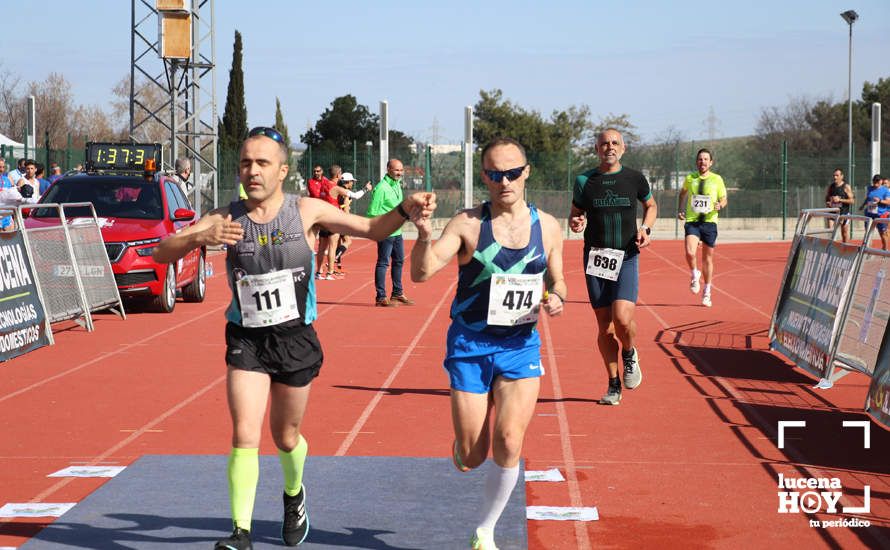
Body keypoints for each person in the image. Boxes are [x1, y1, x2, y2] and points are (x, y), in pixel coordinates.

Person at [151, 126, 435, 550]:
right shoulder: (224, 217)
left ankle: (293, 493)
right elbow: (161, 252)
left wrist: (407, 211)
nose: (252, 171)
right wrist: (198, 236)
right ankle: (240, 532)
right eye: (246, 162)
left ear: (282, 170)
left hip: (294, 338)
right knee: (245, 431)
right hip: (246, 339)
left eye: (262, 163)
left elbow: (373, 228)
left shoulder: (306, 211)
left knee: (285, 436)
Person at [410, 137, 565, 550]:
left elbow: (558, 277)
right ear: (484, 177)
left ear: (526, 172)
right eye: (495, 174)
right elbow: (421, 275)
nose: (505, 181)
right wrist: (424, 234)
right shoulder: (465, 224)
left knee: (510, 440)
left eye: (513, 172)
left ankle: (485, 531)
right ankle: (464, 444)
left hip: (520, 345)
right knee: (473, 456)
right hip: (470, 345)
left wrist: (559, 297)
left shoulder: (548, 226)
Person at [569, 128, 657, 406]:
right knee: (605, 327)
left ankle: (629, 352)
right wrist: (575, 222)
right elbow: (575, 214)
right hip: (596, 258)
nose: (610, 147)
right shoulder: (584, 181)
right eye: (604, 143)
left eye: (615, 143)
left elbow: (651, 205)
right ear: (596, 149)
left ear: (624, 148)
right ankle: (613, 384)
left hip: (627, 255)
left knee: (622, 319)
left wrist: (646, 228)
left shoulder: (634, 178)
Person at [677, 148, 728, 307]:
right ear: (696, 162)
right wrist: (680, 209)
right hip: (692, 221)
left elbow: (724, 198)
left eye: (706, 159)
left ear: (711, 162)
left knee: (707, 258)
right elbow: (683, 193)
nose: (703, 162)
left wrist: (720, 204)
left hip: (710, 222)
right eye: (700, 159)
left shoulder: (717, 179)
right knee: (690, 252)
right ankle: (694, 273)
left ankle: (707, 292)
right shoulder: (690, 178)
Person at [367, 159, 414, 306]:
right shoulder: (381, 188)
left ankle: (397, 293)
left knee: (399, 261)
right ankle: (381, 297)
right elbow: (372, 212)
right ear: (388, 169)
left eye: (401, 170)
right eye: (396, 170)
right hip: (386, 232)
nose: (399, 173)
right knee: (383, 263)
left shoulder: (397, 184)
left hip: (397, 231)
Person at [330, 172, 372, 274]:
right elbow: (347, 207)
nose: (353, 183)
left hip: (335, 219)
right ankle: (334, 259)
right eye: (352, 181)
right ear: (347, 182)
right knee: (347, 241)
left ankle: (336, 266)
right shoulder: (344, 192)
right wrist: (366, 189)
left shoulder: (339, 190)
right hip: (342, 220)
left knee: (339, 243)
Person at [860, 174, 890, 250]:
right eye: (874, 181)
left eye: (877, 181)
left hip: (880, 215)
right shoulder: (869, 188)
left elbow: (888, 202)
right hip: (869, 214)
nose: (875, 183)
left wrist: (880, 201)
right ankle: (868, 249)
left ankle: (885, 249)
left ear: (881, 181)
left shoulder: (885, 190)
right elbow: (868, 198)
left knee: (882, 233)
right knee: (868, 233)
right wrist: (863, 205)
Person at [823, 168, 853, 242]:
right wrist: (828, 202)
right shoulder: (831, 187)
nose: (835, 177)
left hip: (844, 213)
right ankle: (832, 249)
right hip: (833, 212)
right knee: (831, 232)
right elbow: (827, 197)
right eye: (834, 175)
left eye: (837, 175)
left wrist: (840, 200)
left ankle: (845, 248)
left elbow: (852, 201)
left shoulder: (846, 187)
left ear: (842, 176)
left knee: (844, 234)